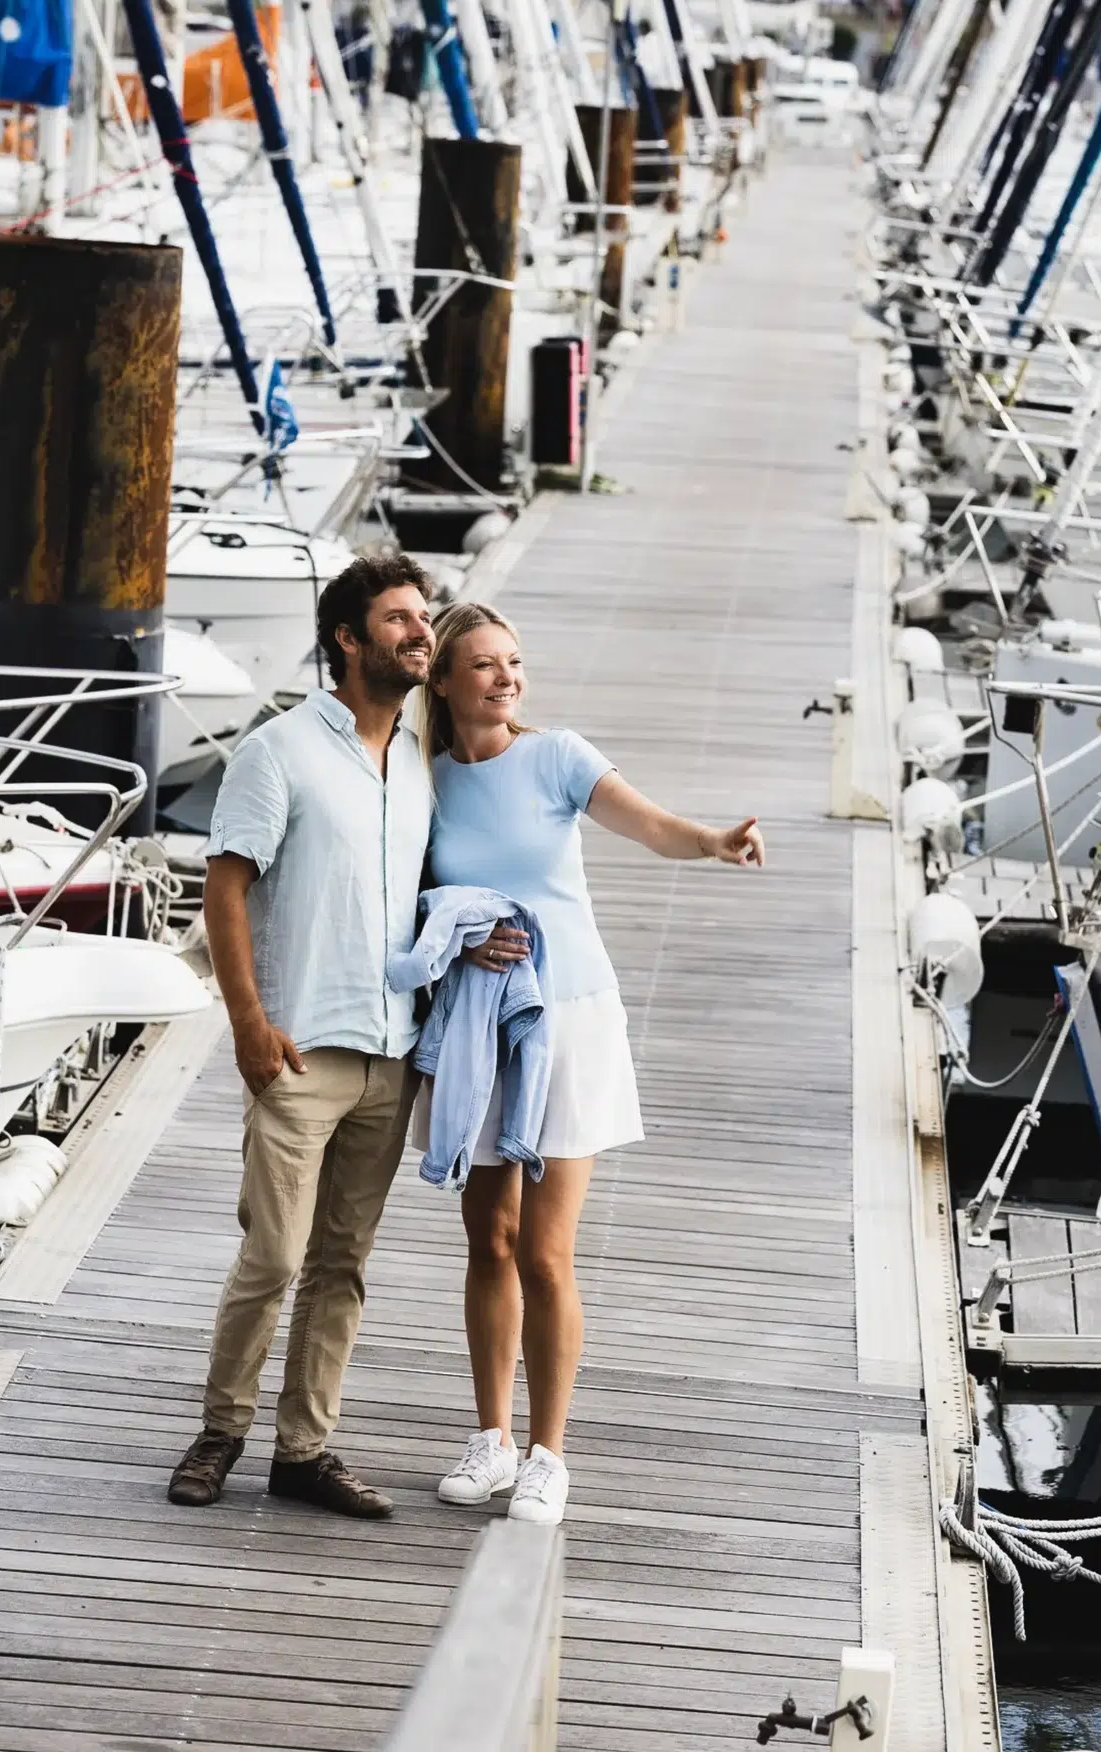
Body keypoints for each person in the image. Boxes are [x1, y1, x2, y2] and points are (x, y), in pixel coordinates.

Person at [418, 601, 764, 1524]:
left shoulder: (559, 755)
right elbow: (405, 894)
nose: (505, 678)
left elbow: (651, 827)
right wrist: (452, 941)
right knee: (485, 1239)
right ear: (443, 681)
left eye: (515, 662)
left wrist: (715, 842)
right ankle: (489, 1440)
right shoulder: (423, 777)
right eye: (484, 664)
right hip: (474, 1025)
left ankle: (547, 1453)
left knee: (544, 1248)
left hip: (568, 1020)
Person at [167, 553, 434, 1518]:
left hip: (392, 1051)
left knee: (342, 1265)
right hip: (297, 1049)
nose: (420, 630)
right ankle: (221, 1431)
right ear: (347, 640)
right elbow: (227, 885)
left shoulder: (415, 754)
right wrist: (248, 1024)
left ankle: (302, 1450)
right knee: (275, 1256)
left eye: (424, 615)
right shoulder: (277, 751)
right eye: (399, 618)